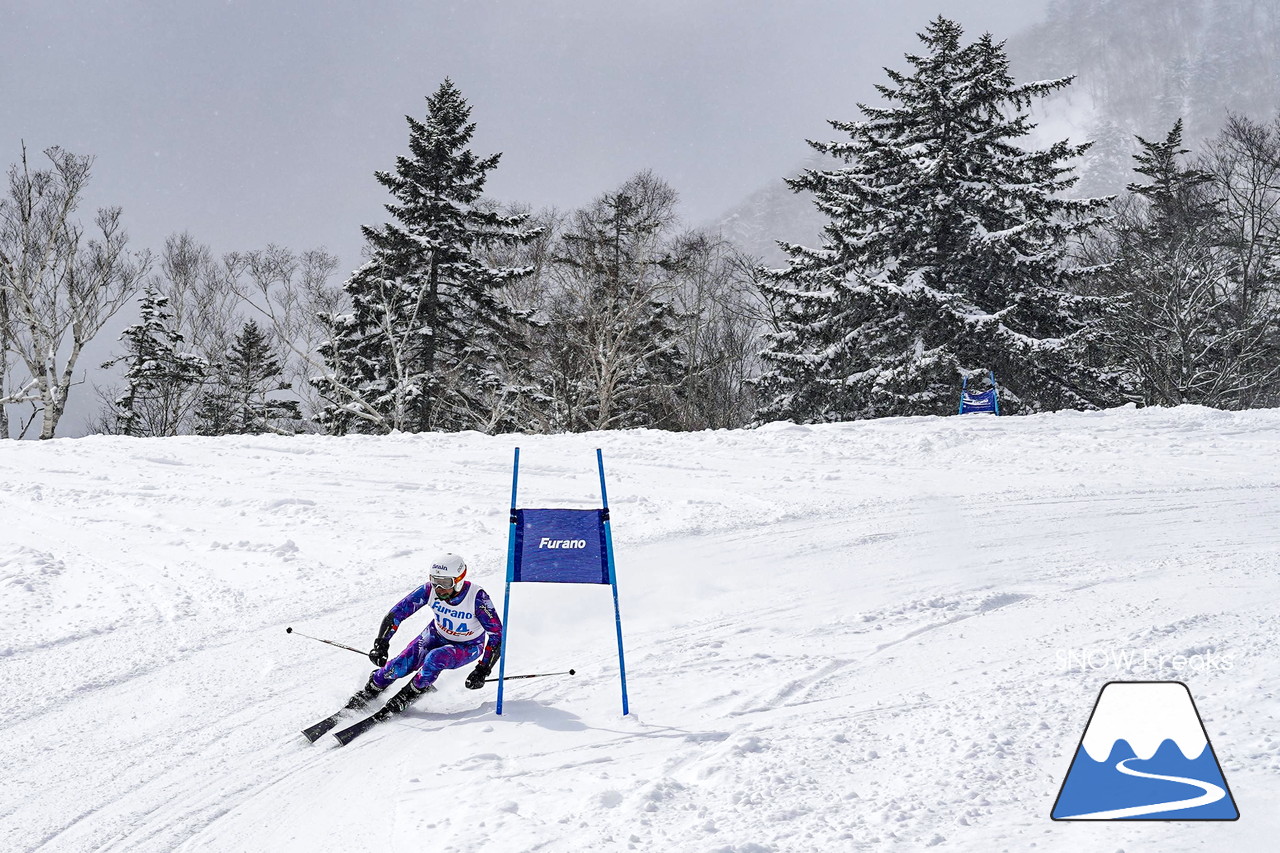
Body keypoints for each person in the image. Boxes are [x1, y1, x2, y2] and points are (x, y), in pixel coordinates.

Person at [345, 553, 503, 715]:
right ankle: (373, 687)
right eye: (435, 581)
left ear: (459, 579)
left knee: (435, 658)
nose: (439, 589)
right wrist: (381, 645)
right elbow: (396, 614)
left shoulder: (477, 598)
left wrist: (483, 670)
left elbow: (497, 635)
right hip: (436, 635)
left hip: (468, 646)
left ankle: (413, 691)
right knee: (398, 665)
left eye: (445, 583)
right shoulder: (429, 590)